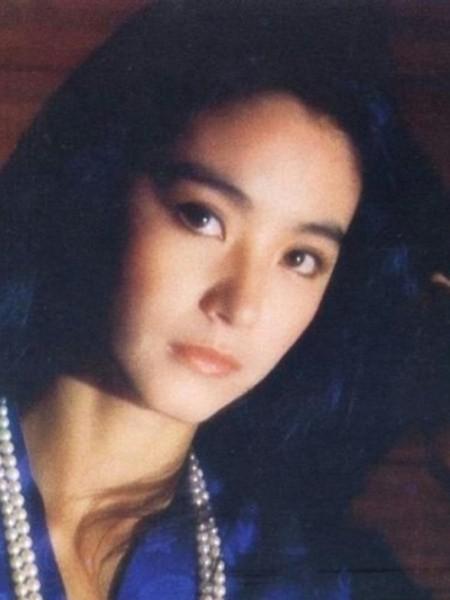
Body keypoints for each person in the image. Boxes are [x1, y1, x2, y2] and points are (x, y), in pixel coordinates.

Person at [0, 1, 447, 598]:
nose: (241, 306)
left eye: (300, 258)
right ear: (99, 187)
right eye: (203, 217)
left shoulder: (301, 576)